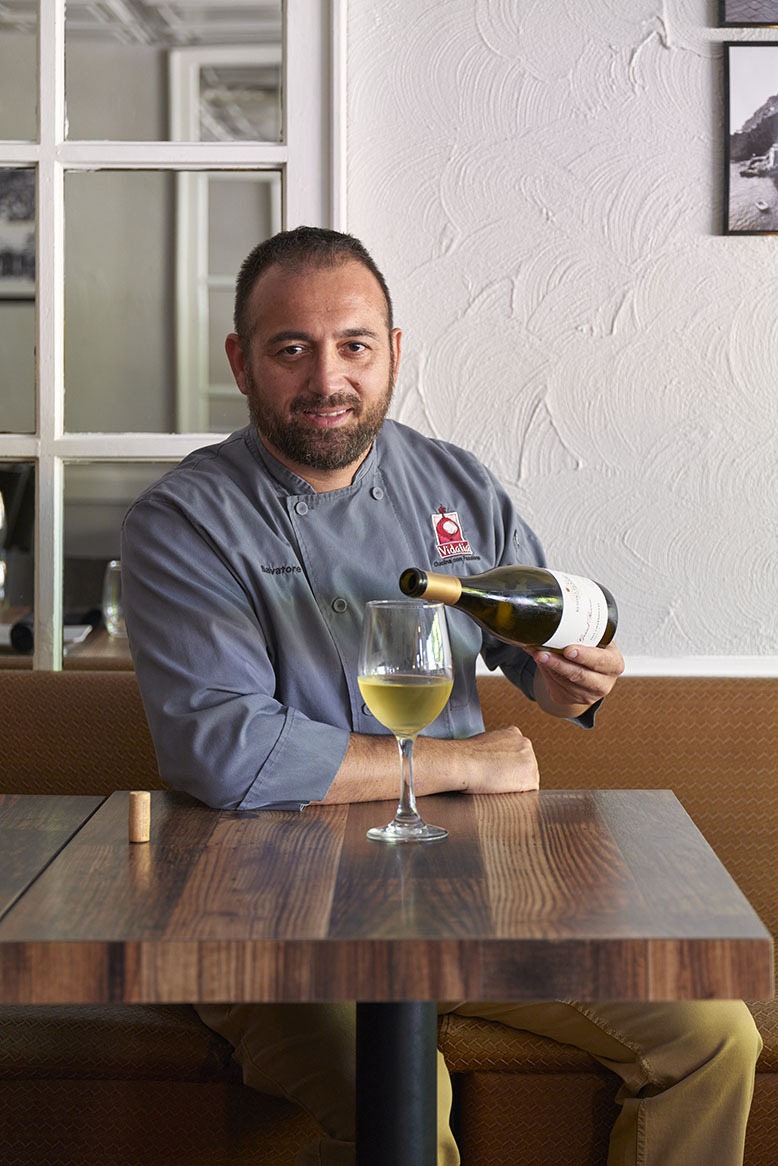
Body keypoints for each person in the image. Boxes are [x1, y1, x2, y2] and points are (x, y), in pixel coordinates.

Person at [121, 226, 761, 1166]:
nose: (326, 377)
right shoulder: (184, 521)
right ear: (241, 362)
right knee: (402, 1104)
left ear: (393, 354)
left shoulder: (453, 480)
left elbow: (533, 640)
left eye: (354, 346)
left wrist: (564, 673)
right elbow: (223, 751)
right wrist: (469, 759)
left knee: (715, 1038)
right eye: (290, 347)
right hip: (271, 913)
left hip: (470, 892)